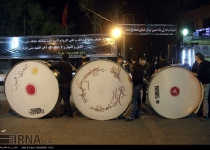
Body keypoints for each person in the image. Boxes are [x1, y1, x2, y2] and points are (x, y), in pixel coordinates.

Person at [49, 53, 73, 118]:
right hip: (69, 84)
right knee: (67, 99)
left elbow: (51, 67)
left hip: (64, 85)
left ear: (62, 58)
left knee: (65, 100)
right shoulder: (69, 65)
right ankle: (65, 112)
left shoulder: (62, 64)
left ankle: (70, 114)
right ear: (68, 58)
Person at [126, 54, 144, 122]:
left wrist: (132, 79)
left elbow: (139, 76)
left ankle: (132, 116)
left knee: (134, 100)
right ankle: (138, 113)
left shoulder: (136, 66)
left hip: (138, 84)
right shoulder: (138, 65)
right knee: (138, 99)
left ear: (131, 59)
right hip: (139, 84)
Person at [192, 53, 210, 121]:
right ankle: (203, 113)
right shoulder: (205, 64)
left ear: (198, 58)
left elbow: (202, 75)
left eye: (196, 57)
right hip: (205, 83)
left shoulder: (202, 65)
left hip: (205, 83)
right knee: (203, 98)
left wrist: (196, 75)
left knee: (204, 98)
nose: (195, 59)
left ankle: (205, 114)